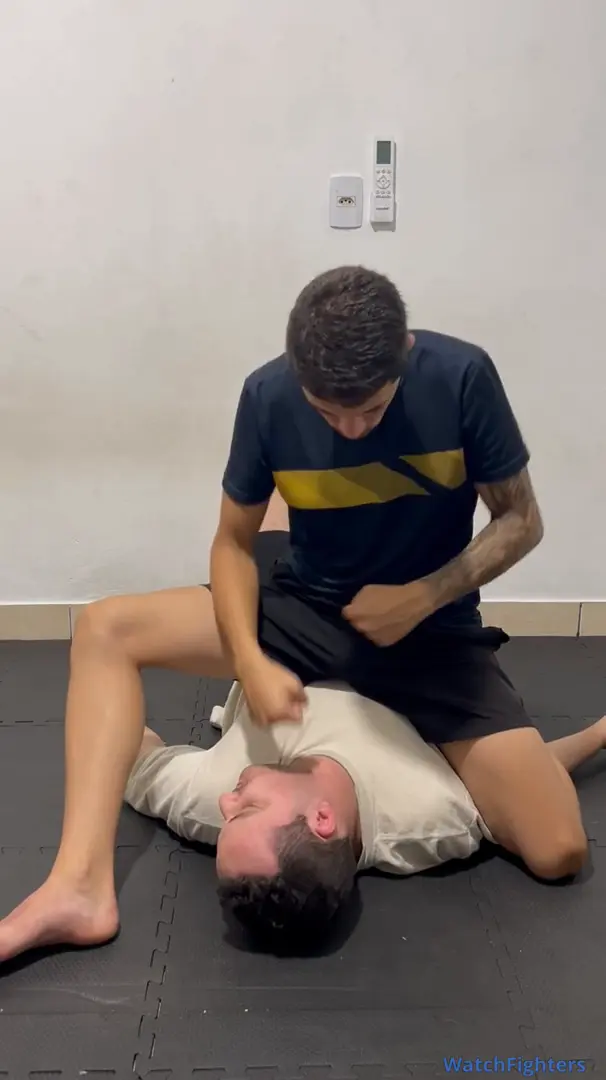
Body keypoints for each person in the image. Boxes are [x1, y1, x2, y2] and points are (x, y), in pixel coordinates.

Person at [0, 265, 589, 962]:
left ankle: (512, 760)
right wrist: (250, 661)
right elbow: (230, 543)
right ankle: (79, 886)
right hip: (305, 609)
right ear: (297, 374)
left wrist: (425, 596)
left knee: (559, 850)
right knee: (104, 627)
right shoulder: (268, 395)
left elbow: (521, 519)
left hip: (431, 633)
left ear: (404, 352)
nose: (351, 428)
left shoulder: (461, 377)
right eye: (328, 413)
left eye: (371, 410)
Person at [125, 679, 606, 946]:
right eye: (246, 810)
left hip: (293, 618)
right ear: (322, 820)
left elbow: (133, 754)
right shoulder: (430, 812)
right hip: (398, 652)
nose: (226, 802)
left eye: (228, 815)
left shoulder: (206, 796)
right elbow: (514, 787)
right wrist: (595, 736)